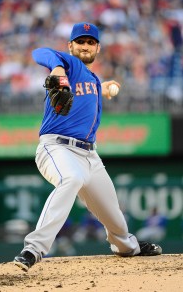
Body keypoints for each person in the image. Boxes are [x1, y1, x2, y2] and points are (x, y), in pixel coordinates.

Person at [14, 22, 162, 271]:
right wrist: (58, 68)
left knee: (113, 213)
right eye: (80, 41)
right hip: (57, 148)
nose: (85, 45)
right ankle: (33, 248)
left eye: (90, 42)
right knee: (70, 179)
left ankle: (127, 247)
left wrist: (104, 88)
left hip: (89, 155)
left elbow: (90, 89)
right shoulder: (68, 65)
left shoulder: (92, 79)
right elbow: (40, 53)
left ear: (98, 48)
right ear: (70, 45)